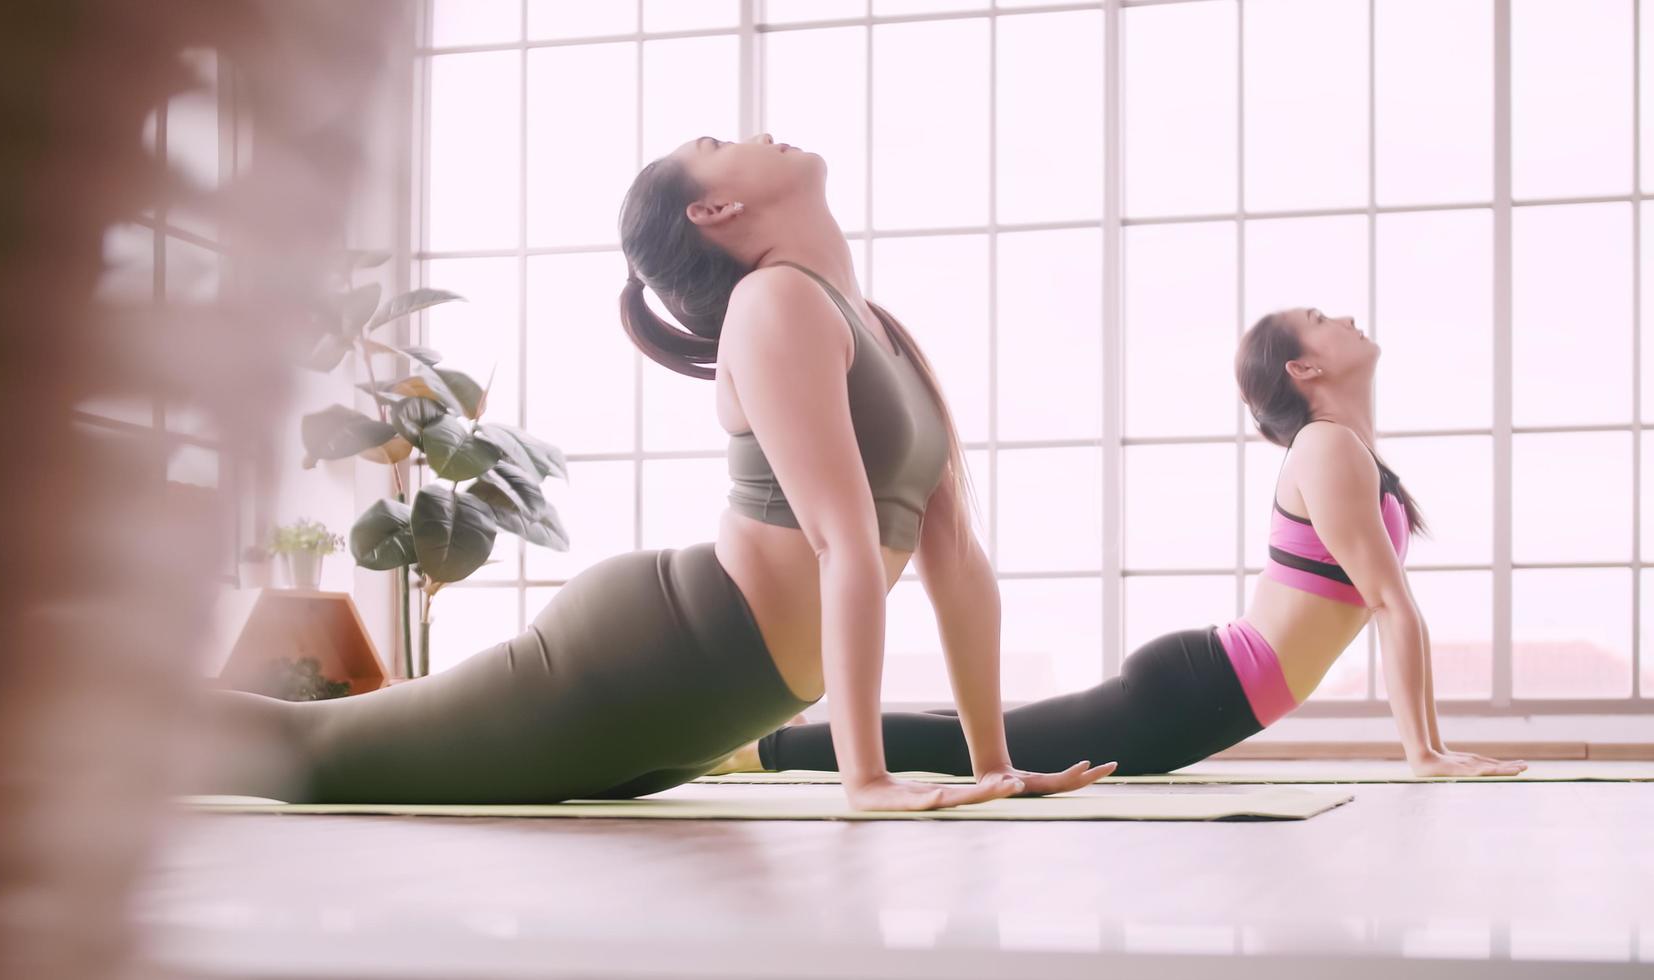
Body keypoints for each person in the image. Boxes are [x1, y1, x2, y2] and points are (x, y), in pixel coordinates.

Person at [199, 133, 1112, 811]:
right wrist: (865, 779)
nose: (754, 135)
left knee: (367, 766)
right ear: (711, 212)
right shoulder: (776, 301)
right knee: (311, 756)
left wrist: (995, 764)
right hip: (651, 655)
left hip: (707, 702)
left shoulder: (874, 327)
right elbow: (842, 541)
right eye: (717, 146)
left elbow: (955, 560)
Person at [730, 307, 1529, 779]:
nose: (1346, 318)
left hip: (1211, 687)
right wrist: (1426, 751)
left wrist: (1431, 748)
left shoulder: (1346, 452)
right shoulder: (1326, 449)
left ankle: (771, 742)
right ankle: (757, 752)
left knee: (999, 736)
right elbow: (1392, 605)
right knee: (984, 751)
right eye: (1322, 320)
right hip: (1196, 690)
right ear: (1305, 367)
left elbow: (1391, 606)